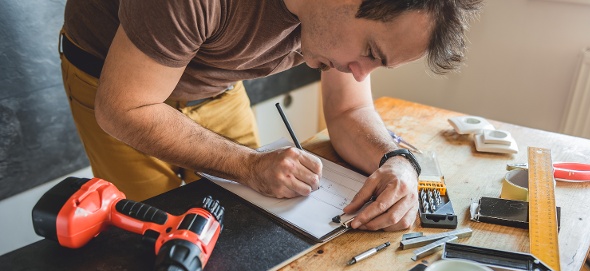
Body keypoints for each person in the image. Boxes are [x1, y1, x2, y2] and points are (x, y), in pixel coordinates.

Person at [60, 0, 482, 233]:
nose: (360, 73)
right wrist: (245, 163)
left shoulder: (337, 21)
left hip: (216, 81)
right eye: (370, 53)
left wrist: (399, 162)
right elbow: (123, 108)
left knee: (240, 223)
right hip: (116, 85)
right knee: (152, 233)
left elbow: (349, 108)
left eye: (378, 64)